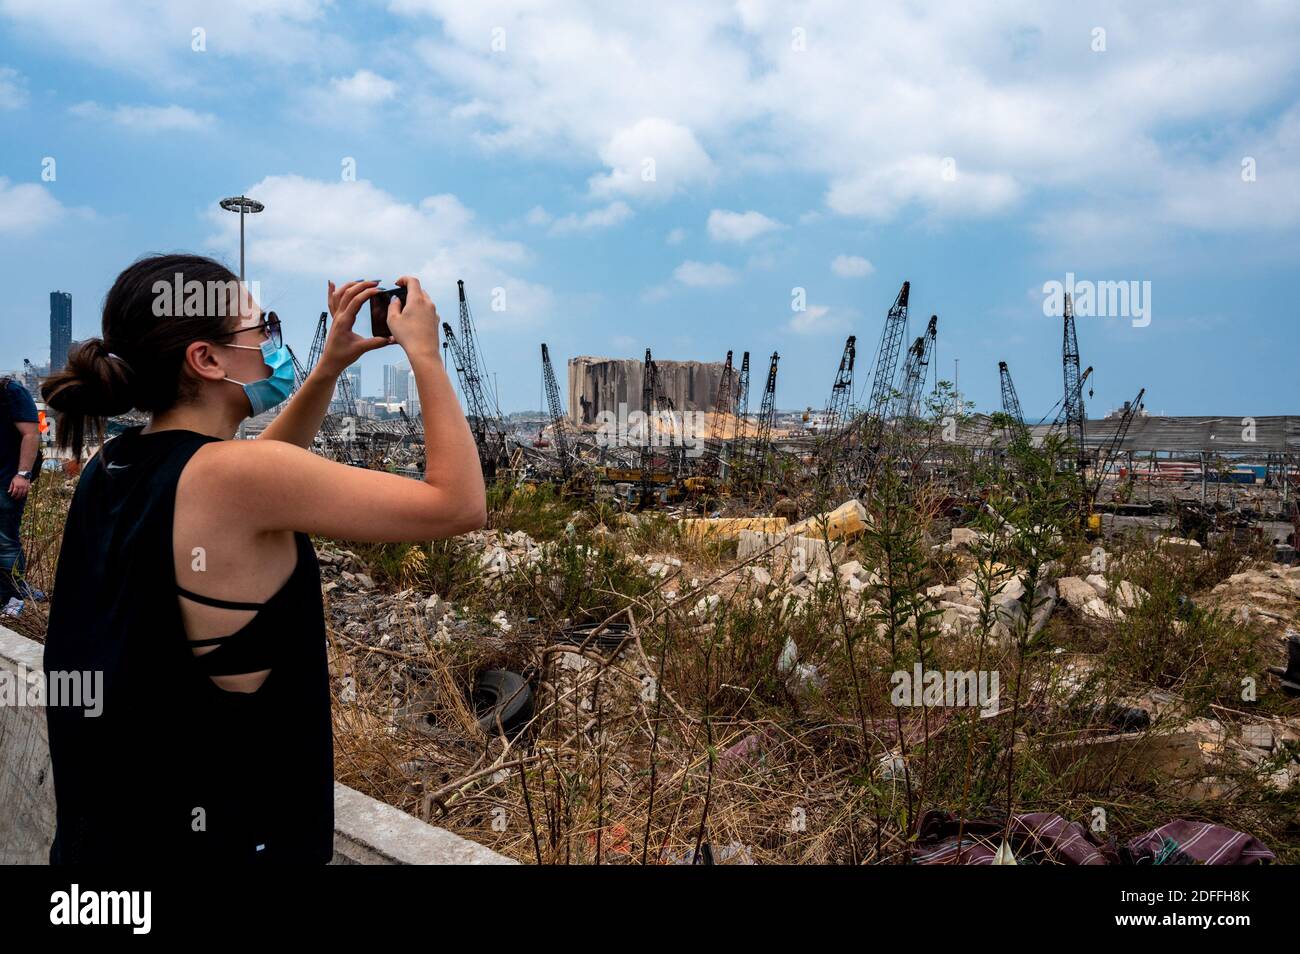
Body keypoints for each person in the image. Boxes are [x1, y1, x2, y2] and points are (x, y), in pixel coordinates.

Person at [40, 254, 485, 863]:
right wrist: (426, 356)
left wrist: (327, 368)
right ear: (207, 359)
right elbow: (458, 504)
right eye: (263, 329)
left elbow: (253, 476)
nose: (274, 345)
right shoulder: (237, 477)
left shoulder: (113, 465)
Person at [0, 374, 39, 617]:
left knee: (4, 540)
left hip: (6, 482)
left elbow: (31, 433)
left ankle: (12, 598)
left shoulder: (11, 391)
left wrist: (23, 474)